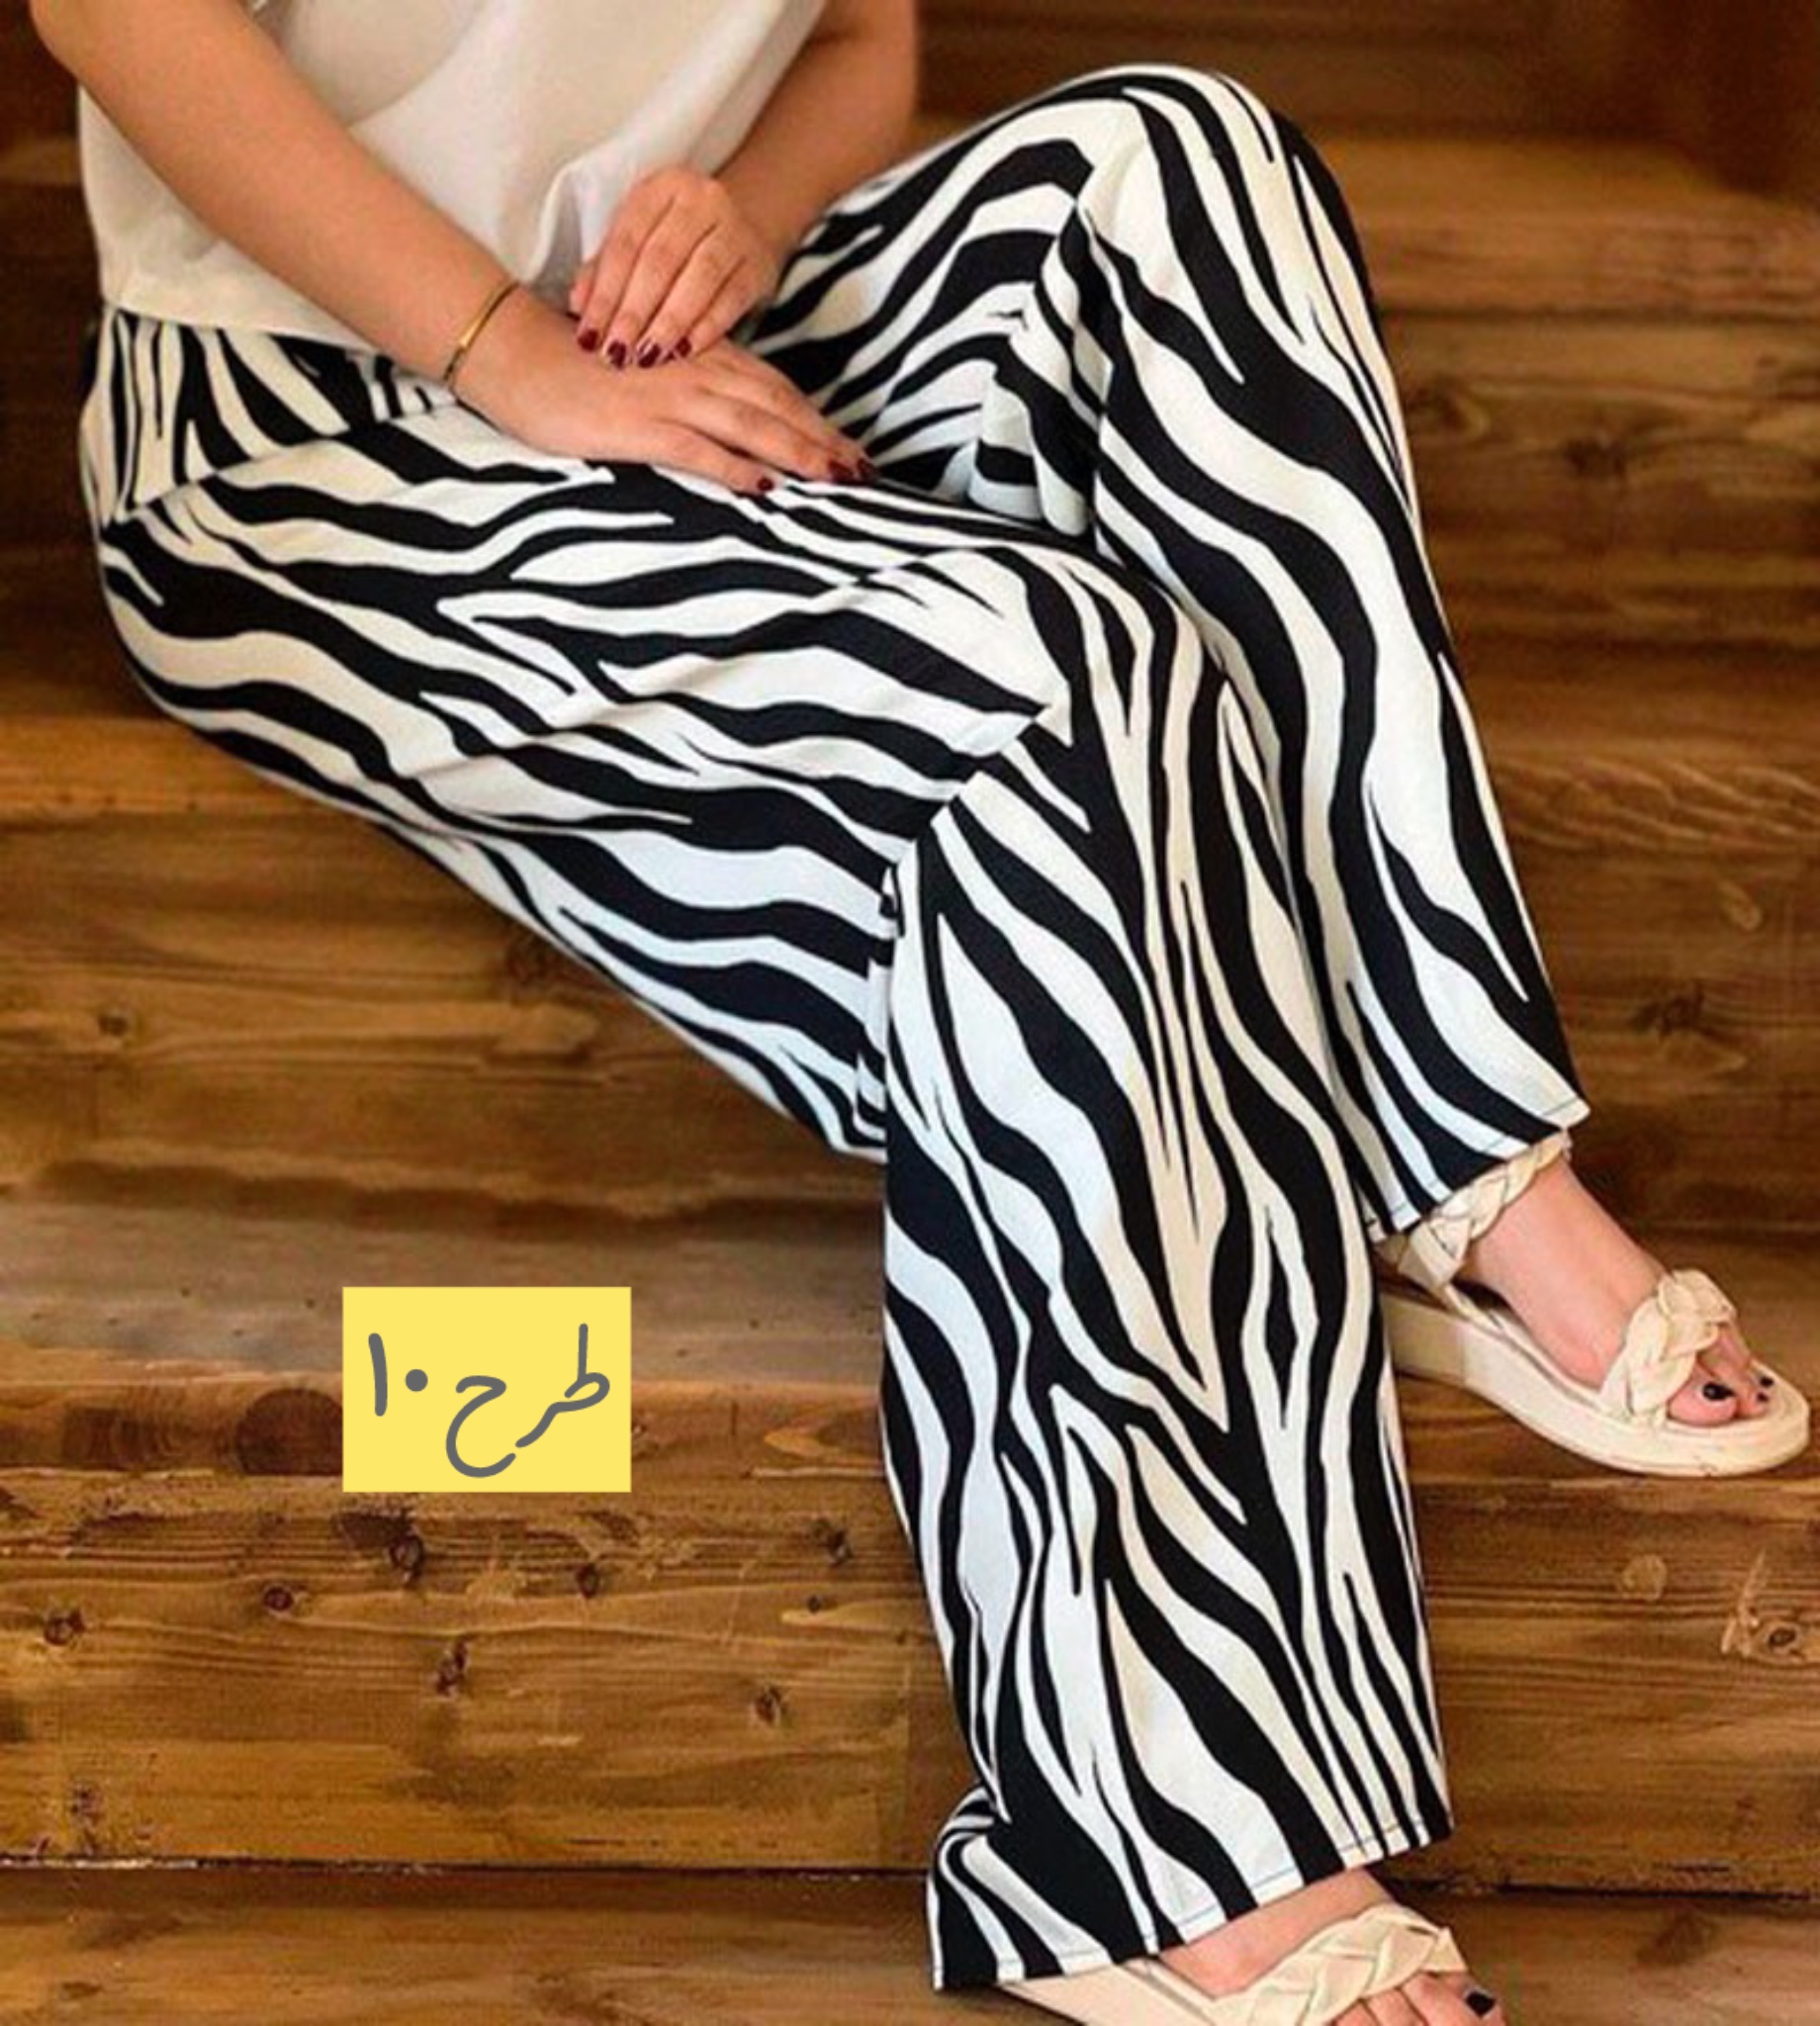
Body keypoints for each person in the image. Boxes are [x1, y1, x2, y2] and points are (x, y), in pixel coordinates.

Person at [31, 1, 1807, 2019]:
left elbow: (858, 43)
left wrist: (746, 210)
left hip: (687, 341)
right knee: (1057, 679)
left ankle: (1450, 1155)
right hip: (305, 416)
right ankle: (1157, 1830)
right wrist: (502, 350)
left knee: (1173, 165)